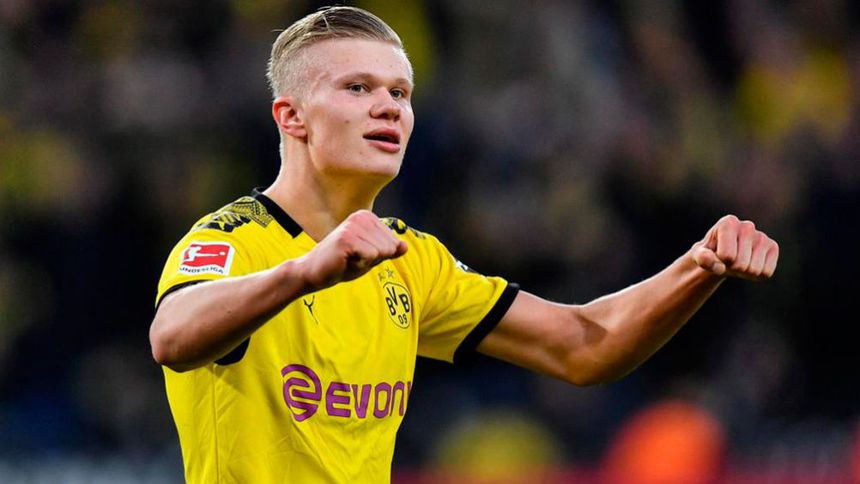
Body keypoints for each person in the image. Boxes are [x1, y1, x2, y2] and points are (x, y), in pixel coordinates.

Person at [149, 6, 779, 484]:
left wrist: (698, 267)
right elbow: (172, 337)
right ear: (292, 117)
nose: (388, 108)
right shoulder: (231, 239)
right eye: (357, 88)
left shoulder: (412, 261)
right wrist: (306, 272)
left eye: (400, 93)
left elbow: (583, 345)